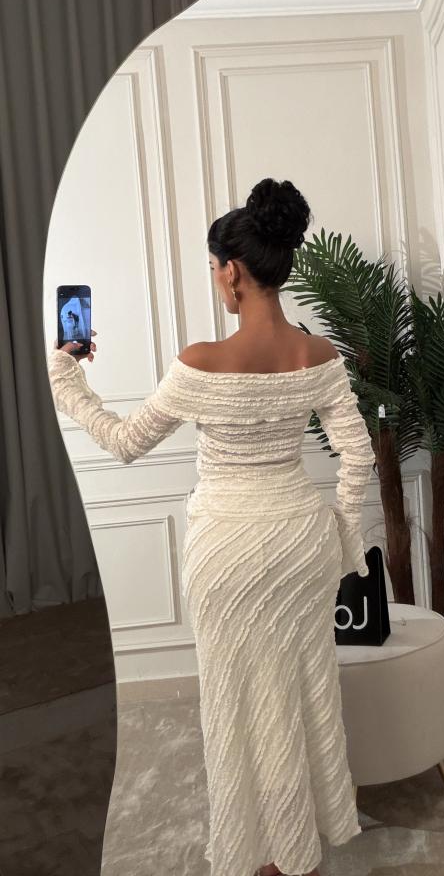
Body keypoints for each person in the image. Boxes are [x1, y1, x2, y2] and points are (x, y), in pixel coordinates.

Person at [47, 178, 376, 876]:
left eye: (213, 267)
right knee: (301, 689)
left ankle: (259, 854)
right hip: (301, 542)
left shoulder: (200, 363)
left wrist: (67, 378)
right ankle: (298, 850)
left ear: (232, 272)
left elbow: (125, 441)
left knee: (236, 703)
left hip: (226, 549)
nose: (215, 279)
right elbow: (359, 456)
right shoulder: (318, 356)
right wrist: (342, 539)